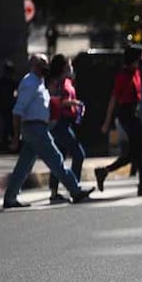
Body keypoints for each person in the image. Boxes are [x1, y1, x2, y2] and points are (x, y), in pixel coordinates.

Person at [3, 54, 94, 209]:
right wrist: (16, 136)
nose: (46, 67)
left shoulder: (40, 82)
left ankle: (10, 197)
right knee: (56, 159)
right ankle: (75, 190)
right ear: (34, 65)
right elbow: (17, 111)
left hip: (37, 127)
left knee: (24, 166)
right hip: (35, 128)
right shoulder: (29, 83)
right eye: (43, 64)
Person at [94, 45, 142, 196]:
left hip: (134, 113)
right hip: (127, 114)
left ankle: (104, 171)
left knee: (134, 152)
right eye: (140, 57)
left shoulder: (136, 73)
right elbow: (113, 99)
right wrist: (107, 122)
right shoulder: (123, 76)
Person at [46, 54, 87, 204]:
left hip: (67, 122)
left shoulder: (67, 81)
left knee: (60, 157)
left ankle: (55, 191)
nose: (71, 68)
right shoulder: (55, 83)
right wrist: (76, 103)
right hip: (59, 123)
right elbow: (59, 102)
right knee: (78, 154)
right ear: (63, 67)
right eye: (69, 65)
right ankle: (74, 187)